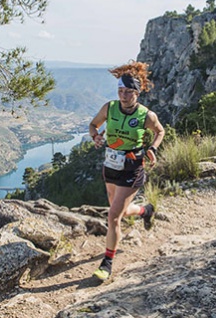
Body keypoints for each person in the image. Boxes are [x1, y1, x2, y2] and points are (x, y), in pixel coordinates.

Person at [88, 61, 165, 281]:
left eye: (129, 92)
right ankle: (145, 211)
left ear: (137, 93)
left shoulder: (145, 115)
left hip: (132, 167)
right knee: (116, 209)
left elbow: (160, 131)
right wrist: (96, 136)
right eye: (120, 91)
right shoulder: (109, 108)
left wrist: (152, 148)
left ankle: (107, 263)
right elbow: (93, 125)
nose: (123, 96)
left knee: (113, 216)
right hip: (111, 165)